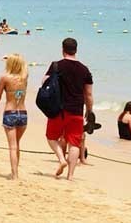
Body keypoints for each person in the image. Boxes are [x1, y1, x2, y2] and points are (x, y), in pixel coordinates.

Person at [44, 38, 93, 180]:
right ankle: (70, 175)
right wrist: (89, 111)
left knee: (51, 137)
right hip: (77, 110)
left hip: (58, 109)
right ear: (76, 50)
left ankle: (61, 159)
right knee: (75, 142)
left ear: (62, 49)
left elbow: (44, 82)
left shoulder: (56, 66)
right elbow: (88, 94)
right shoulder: (84, 69)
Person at [0, 53, 29, 180]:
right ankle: (16, 172)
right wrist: (17, 59)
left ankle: (14, 174)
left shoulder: (5, 78)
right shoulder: (24, 77)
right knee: (17, 144)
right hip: (23, 114)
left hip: (10, 113)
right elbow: (25, 67)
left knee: (12, 146)